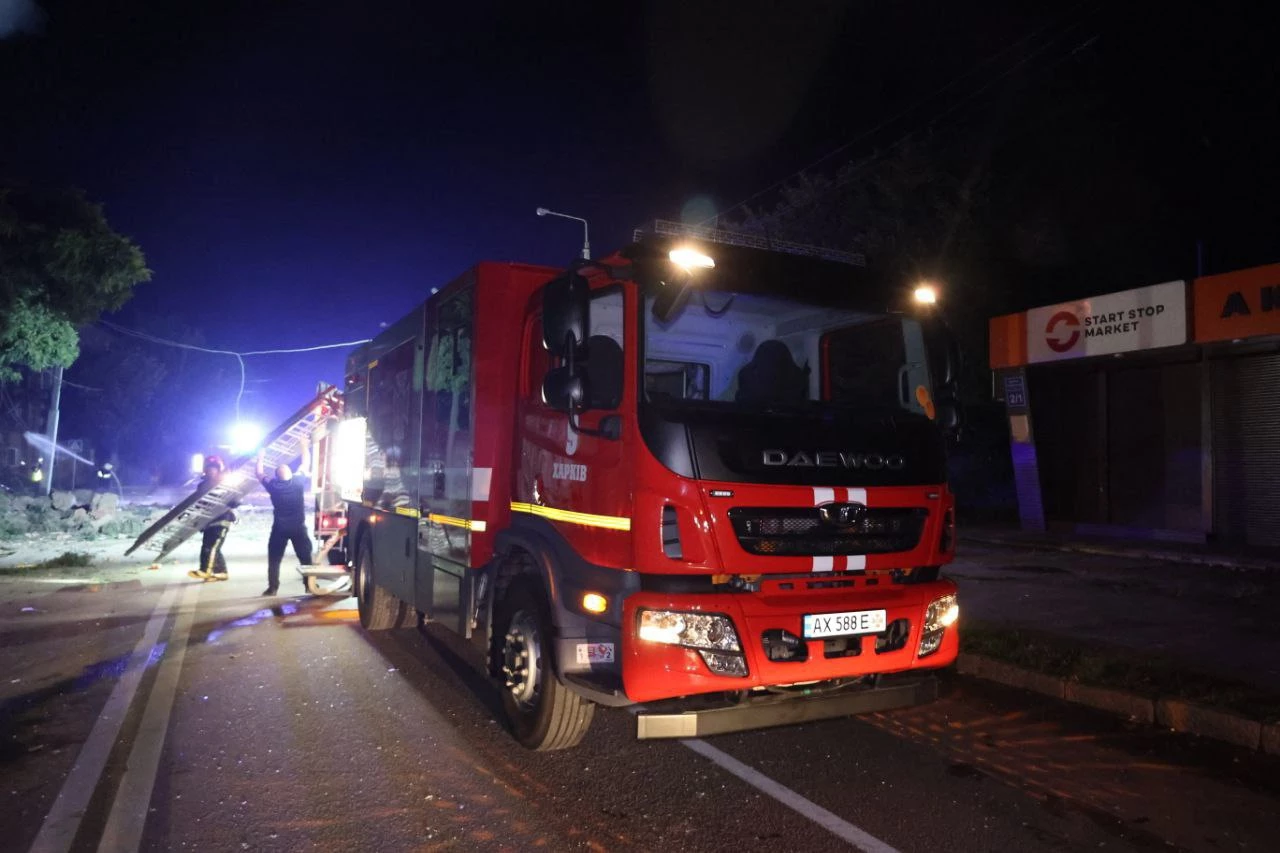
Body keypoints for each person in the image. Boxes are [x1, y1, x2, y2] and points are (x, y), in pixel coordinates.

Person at [257, 441, 314, 596]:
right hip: (298, 528)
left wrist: (260, 457)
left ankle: (273, 588)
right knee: (305, 558)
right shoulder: (298, 482)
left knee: (274, 559)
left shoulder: (273, 486)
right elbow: (306, 463)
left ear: (277, 476)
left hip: (280, 529)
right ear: (290, 474)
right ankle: (309, 585)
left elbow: (259, 473)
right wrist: (304, 446)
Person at [188, 455, 237, 582]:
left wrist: (234, 502)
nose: (211, 471)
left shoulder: (225, 484)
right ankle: (221, 572)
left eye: (214, 468)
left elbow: (235, 498)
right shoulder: (202, 485)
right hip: (208, 521)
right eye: (209, 468)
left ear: (219, 469)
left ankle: (205, 570)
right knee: (208, 546)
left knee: (212, 547)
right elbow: (198, 503)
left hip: (222, 519)